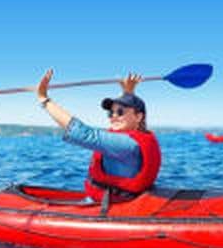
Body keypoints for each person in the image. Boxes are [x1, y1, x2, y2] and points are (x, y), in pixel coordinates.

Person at [36, 69, 161, 203]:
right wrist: (128, 93)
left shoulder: (127, 144)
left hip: (111, 205)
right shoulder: (136, 137)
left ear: (139, 116)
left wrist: (44, 99)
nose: (113, 116)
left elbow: (82, 134)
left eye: (120, 112)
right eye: (110, 113)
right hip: (116, 199)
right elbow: (130, 115)